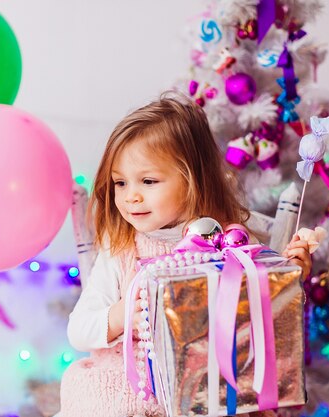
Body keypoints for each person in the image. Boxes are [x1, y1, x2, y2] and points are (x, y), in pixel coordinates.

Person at [59, 94, 312, 417]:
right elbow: (78, 330)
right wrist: (121, 316)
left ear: (193, 181)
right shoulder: (121, 248)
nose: (130, 196)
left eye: (148, 181)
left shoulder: (228, 243)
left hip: (205, 386)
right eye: (120, 183)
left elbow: (264, 319)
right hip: (130, 385)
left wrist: (289, 273)